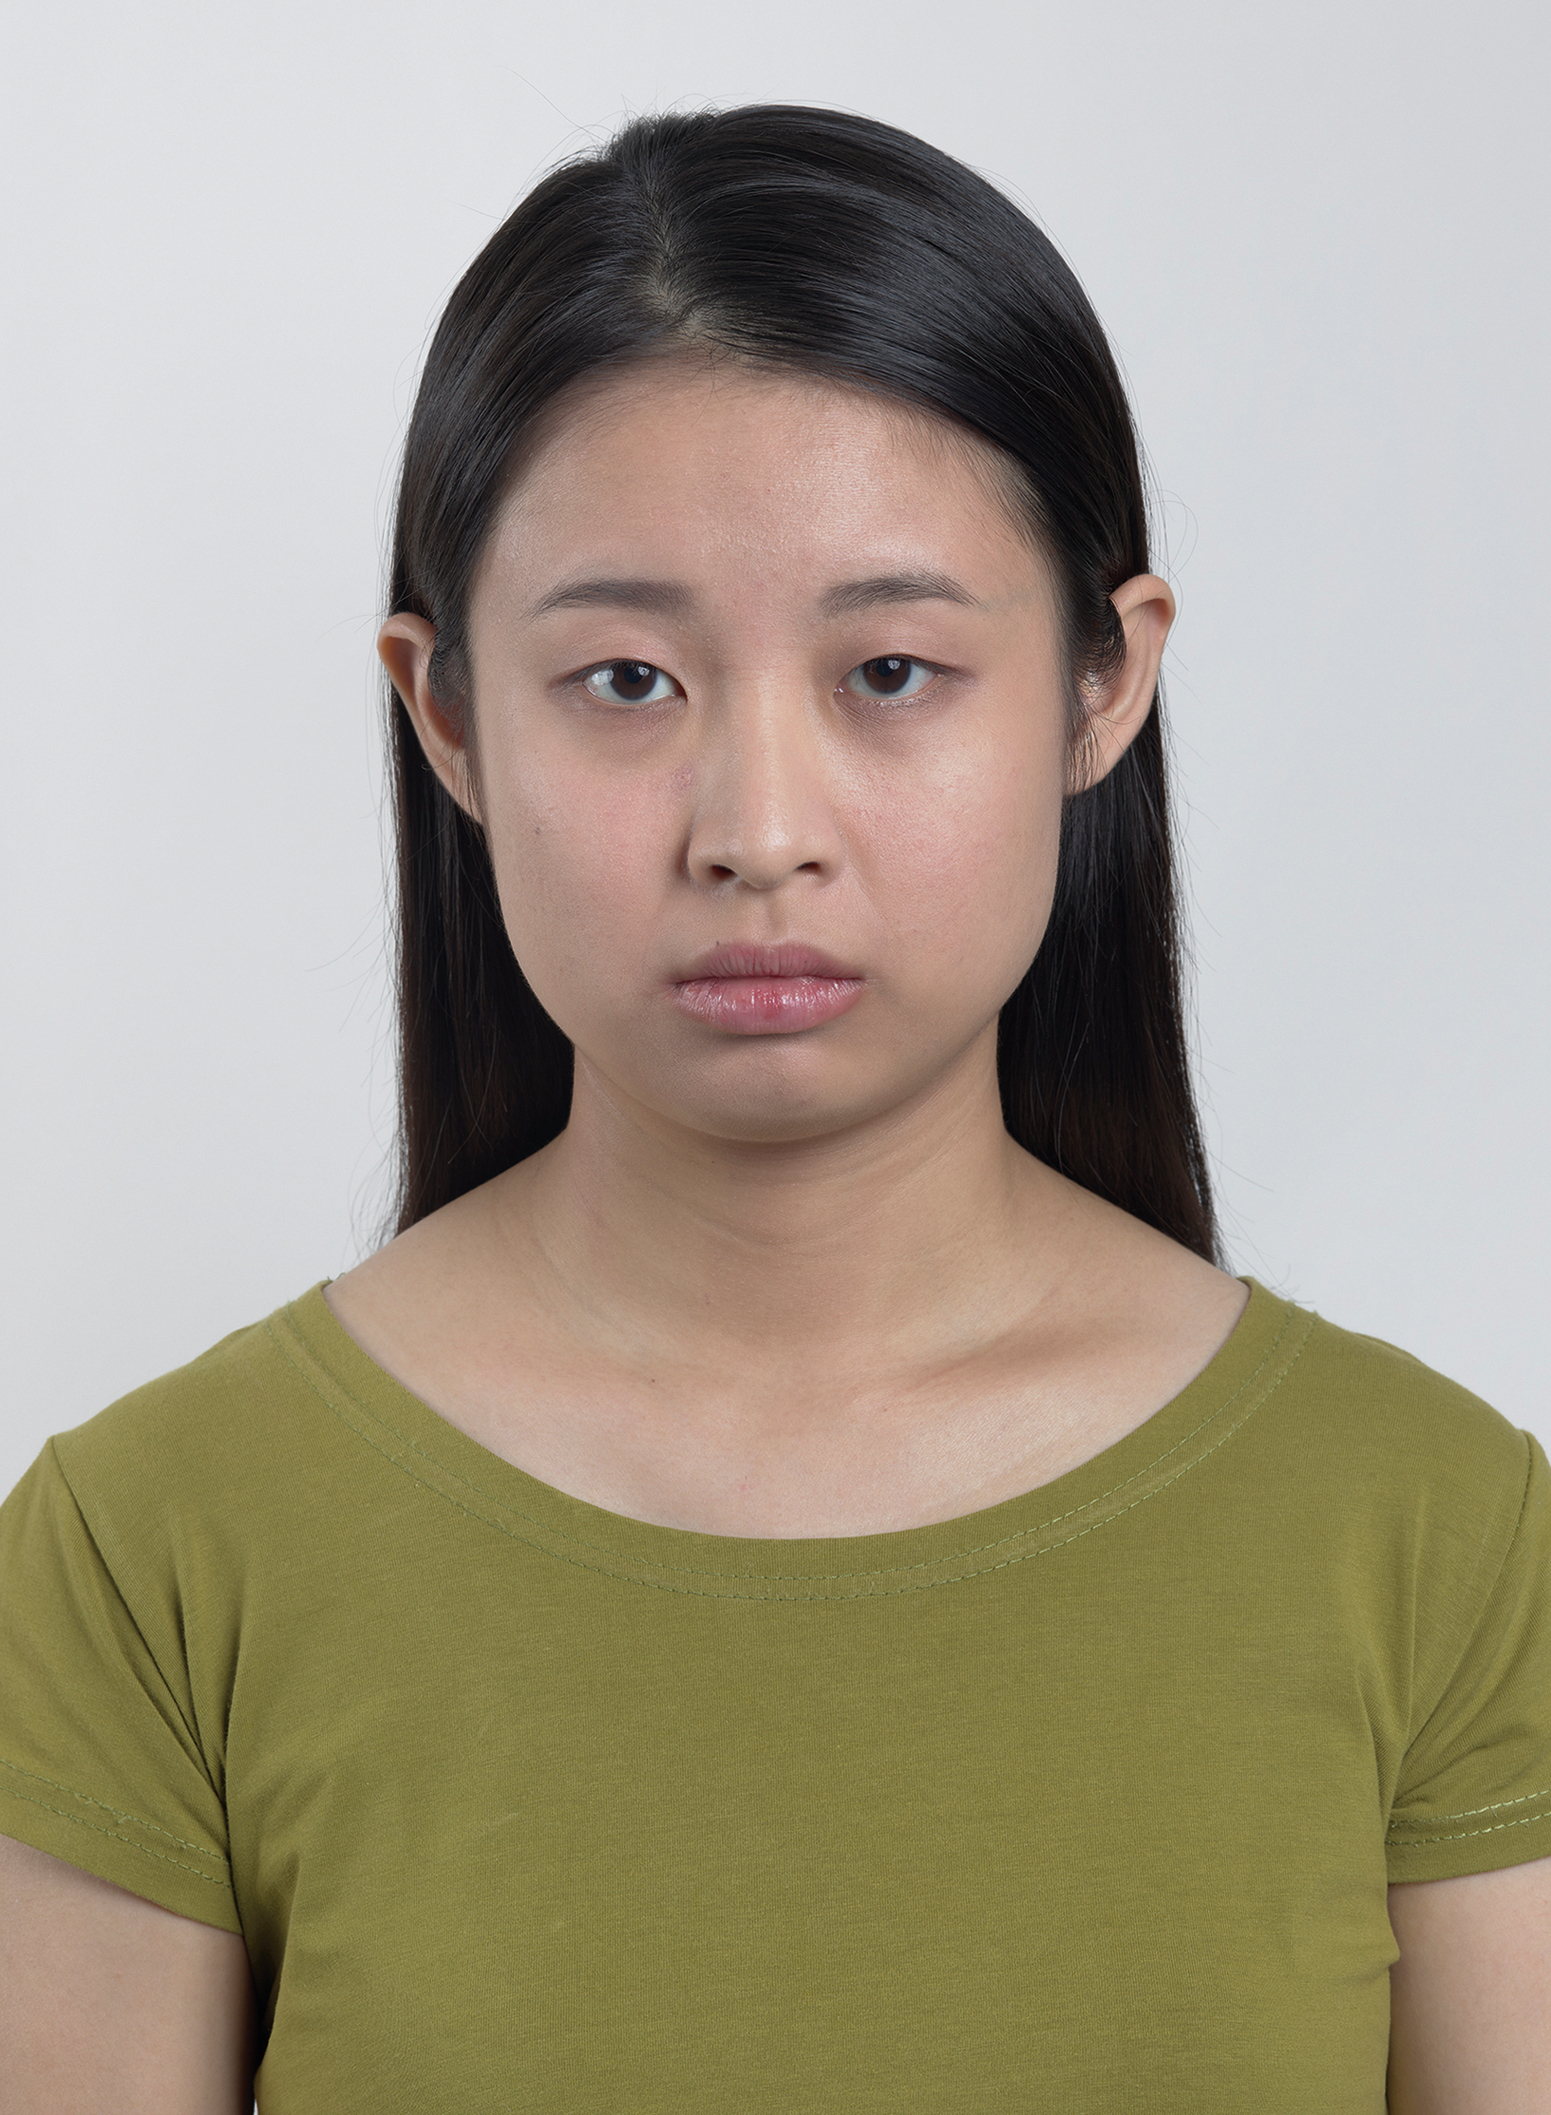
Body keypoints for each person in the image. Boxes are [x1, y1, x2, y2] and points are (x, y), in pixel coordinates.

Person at [1, 105, 1547, 2113]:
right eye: (627, 682)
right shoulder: (148, 1558)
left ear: (1104, 682)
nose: (756, 829)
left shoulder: (1433, 1540)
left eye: (889, 671)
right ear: (446, 713)